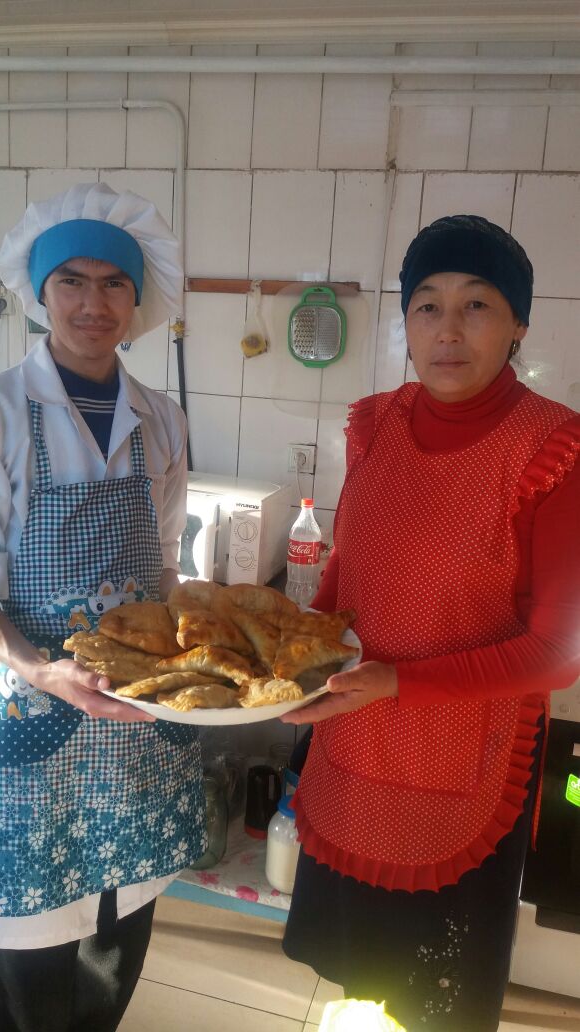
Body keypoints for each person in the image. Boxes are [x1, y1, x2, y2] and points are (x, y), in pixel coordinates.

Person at [281, 214, 580, 1032]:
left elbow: (556, 654)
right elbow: (346, 574)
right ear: (406, 322)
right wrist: (287, 653)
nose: (447, 330)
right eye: (427, 305)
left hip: (461, 761)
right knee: (356, 981)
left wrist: (395, 683)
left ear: (517, 325)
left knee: (431, 1007)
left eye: (476, 305)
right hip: (354, 749)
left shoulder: (550, 449)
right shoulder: (375, 424)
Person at [0, 182, 206, 1032]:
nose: (93, 303)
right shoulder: (3, 412)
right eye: (71, 282)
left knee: (116, 941)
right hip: (31, 711)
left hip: (137, 721)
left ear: (137, 296)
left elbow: (165, 567)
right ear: (40, 292)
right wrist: (40, 668)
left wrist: (213, 643)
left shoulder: (161, 418)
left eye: (113, 282)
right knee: (29, 949)